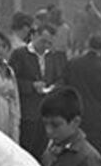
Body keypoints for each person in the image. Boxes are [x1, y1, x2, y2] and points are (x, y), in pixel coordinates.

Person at [61, 33, 101, 155]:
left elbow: (64, 84)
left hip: (74, 111)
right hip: (98, 117)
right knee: (95, 151)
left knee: (72, 149)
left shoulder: (73, 63)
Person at [11, 23, 64, 158]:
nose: (45, 45)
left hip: (46, 110)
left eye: (49, 43)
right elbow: (12, 80)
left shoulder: (52, 56)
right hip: (28, 110)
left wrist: (54, 87)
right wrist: (31, 86)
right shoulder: (20, 54)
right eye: (43, 41)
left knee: (41, 147)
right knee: (26, 147)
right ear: (34, 35)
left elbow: (60, 78)